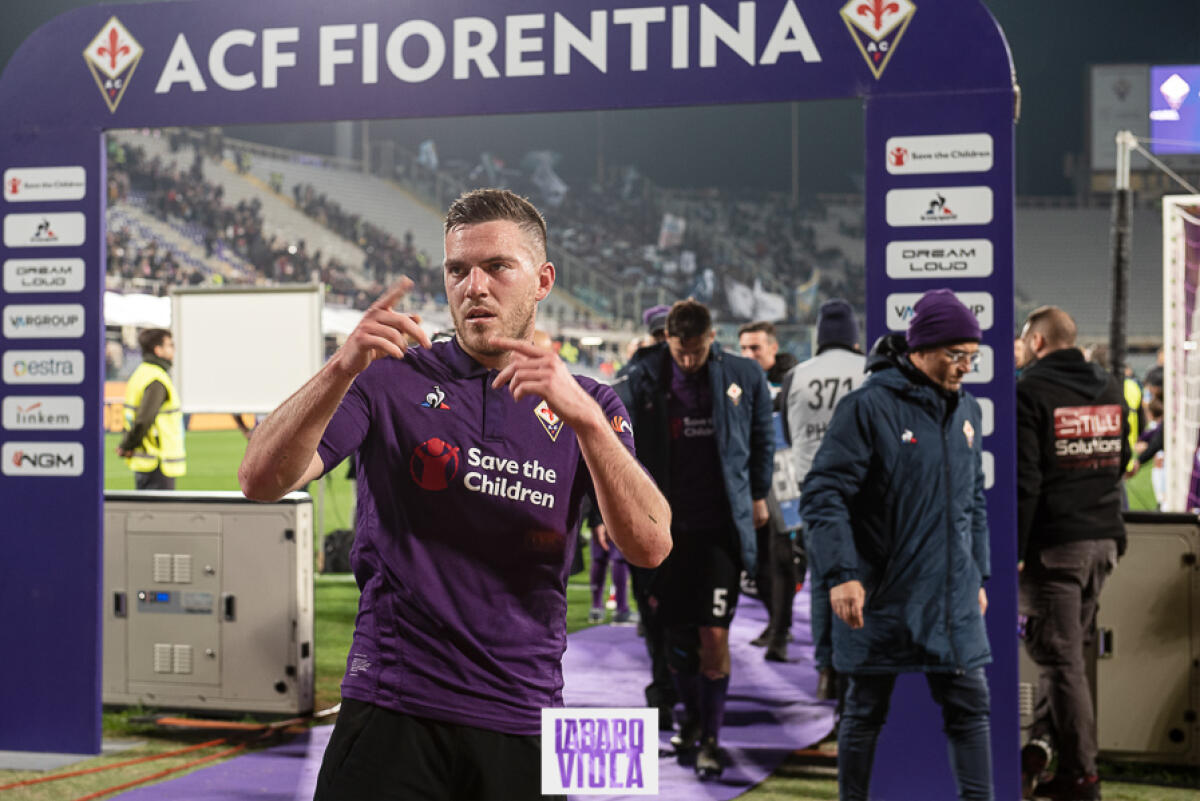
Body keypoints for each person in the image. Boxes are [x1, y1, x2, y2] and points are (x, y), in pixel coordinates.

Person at [239, 188, 672, 801]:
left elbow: (652, 545)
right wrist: (340, 367)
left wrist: (588, 425)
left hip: (529, 713)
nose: (474, 286)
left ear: (543, 279)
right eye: (457, 270)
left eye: (497, 267)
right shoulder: (387, 376)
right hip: (392, 705)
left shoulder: (592, 402)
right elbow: (258, 479)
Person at [800, 289, 992, 801]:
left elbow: (972, 499)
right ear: (921, 349)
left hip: (951, 595)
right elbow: (824, 494)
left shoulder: (967, 409)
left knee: (972, 711)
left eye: (971, 357)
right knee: (863, 713)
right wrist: (841, 574)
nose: (964, 368)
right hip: (881, 598)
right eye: (956, 356)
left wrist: (978, 574)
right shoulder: (868, 407)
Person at [614, 299, 773, 779]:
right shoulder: (642, 380)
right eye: (680, 352)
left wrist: (759, 494)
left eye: (696, 352)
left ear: (710, 339)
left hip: (717, 532)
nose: (688, 360)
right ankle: (689, 719)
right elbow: (617, 446)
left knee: (714, 632)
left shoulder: (743, 378)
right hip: (663, 532)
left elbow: (763, 438)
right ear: (669, 340)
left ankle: (711, 738)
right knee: (674, 638)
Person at [1016, 307, 1127, 801]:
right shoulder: (1108, 387)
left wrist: (1013, 549)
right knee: (1065, 657)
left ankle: (1082, 777)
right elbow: (1118, 461)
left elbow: (1026, 482)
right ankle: (1041, 747)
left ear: (1038, 342)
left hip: (1056, 547)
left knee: (1060, 661)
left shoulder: (1029, 392)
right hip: (1104, 539)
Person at [784, 299, 865, 702]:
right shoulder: (867, 371)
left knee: (821, 584)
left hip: (813, 493)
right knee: (858, 580)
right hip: (860, 494)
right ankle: (854, 670)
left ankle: (825, 670)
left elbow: (788, 430)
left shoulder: (798, 375)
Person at [738, 320, 800, 662]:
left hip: (785, 482)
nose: (748, 354)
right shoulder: (740, 380)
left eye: (755, 348)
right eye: (744, 347)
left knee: (780, 559)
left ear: (773, 348)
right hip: (747, 481)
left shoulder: (791, 380)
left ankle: (779, 632)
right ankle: (777, 622)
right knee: (753, 561)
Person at [117, 328, 186, 489]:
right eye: (170, 345)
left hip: (147, 462)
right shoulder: (156, 379)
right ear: (158, 350)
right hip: (158, 463)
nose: (173, 350)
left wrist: (127, 445)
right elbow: (143, 420)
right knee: (160, 513)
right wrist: (127, 446)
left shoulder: (141, 374)